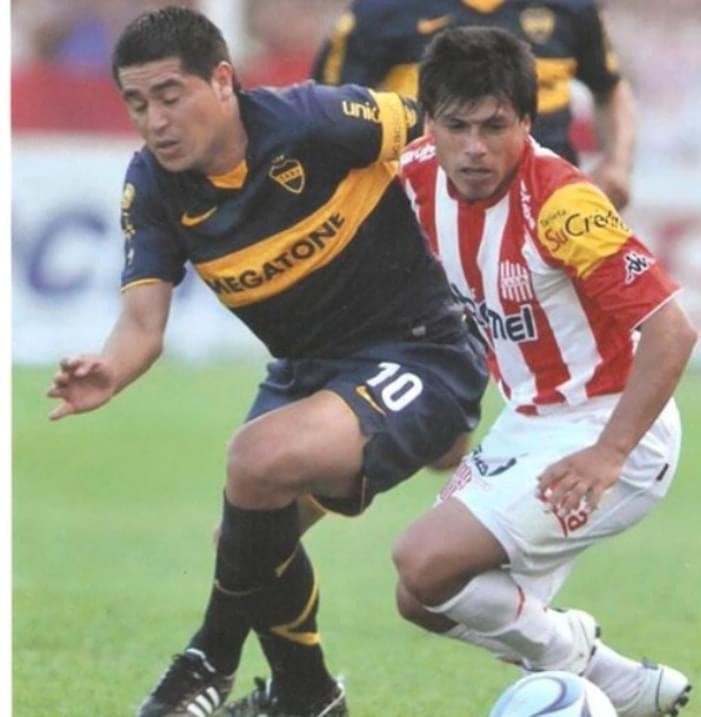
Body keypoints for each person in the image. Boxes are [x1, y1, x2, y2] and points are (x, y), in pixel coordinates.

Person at [46, 7, 488, 717]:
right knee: (246, 533)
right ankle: (308, 695)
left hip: (422, 348)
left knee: (256, 461)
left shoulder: (316, 120)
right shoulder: (153, 185)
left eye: (170, 96)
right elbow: (141, 324)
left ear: (223, 81)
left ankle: (207, 659)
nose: (155, 120)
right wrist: (110, 368)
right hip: (308, 370)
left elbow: (453, 133)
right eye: (137, 104)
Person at [394, 26, 696, 717]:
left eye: (494, 126)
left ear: (527, 122)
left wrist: (608, 454)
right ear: (429, 124)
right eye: (457, 126)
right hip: (527, 418)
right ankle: (607, 676)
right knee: (420, 596)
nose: (474, 147)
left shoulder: (562, 205)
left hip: (614, 428)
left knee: (423, 558)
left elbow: (672, 329)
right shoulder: (413, 175)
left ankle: (569, 658)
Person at [312, 0, 636, 210]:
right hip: (422, 218)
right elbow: (324, 114)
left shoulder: (573, 7)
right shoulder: (380, 11)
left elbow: (610, 89)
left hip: (547, 209)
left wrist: (617, 163)